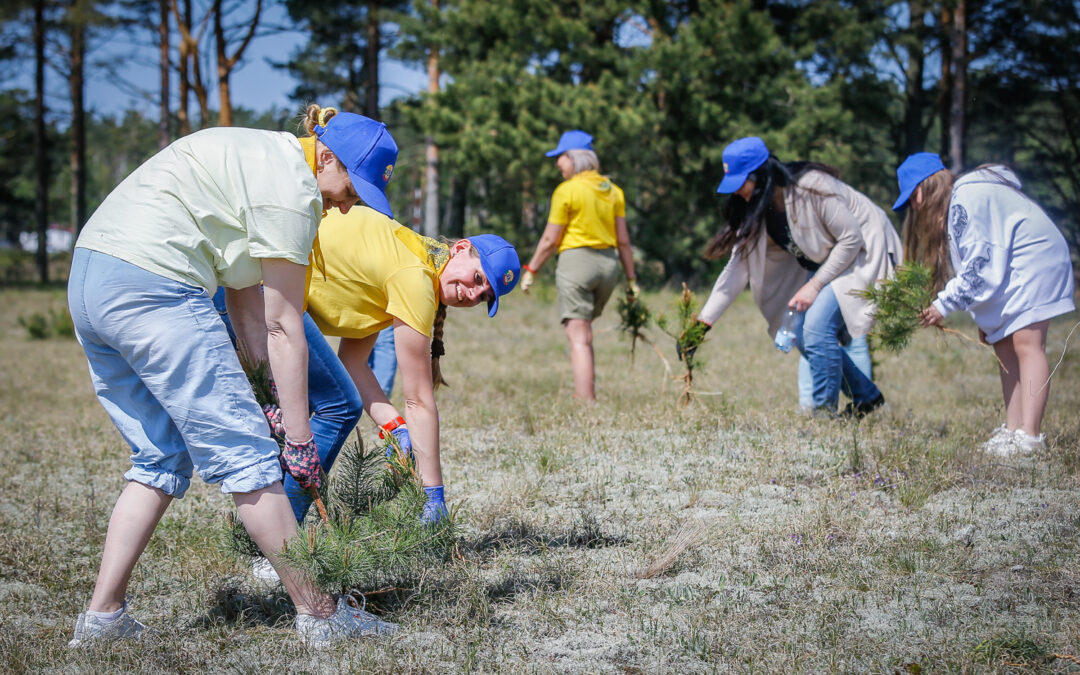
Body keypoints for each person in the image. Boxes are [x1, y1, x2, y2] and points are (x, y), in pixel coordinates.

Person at [66, 105, 400, 647]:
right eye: (351, 187)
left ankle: (103, 619)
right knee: (250, 458)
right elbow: (284, 325)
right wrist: (297, 437)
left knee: (159, 455)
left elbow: (246, 309)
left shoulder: (259, 158)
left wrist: (266, 395)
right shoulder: (292, 192)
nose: (346, 203)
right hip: (156, 285)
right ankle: (321, 617)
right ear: (328, 157)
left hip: (92, 277)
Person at [698, 136, 902, 416]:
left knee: (816, 329)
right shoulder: (760, 209)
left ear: (762, 175)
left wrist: (815, 286)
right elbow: (737, 269)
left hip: (865, 250)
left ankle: (822, 414)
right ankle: (866, 397)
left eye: (741, 183)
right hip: (834, 259)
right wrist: (703, 323)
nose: (737, 193)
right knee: (804, 337)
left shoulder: (812, 187)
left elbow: (850, 239)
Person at [894, 152, 1075, 455]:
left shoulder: (965, 198)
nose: (915, 207)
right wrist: (985, 321)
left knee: (1026, 344)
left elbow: (979, 264)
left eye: (912, 199)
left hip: (1034, 259)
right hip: (1014, 265)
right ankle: (1013, 430)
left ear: (921, 190)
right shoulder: (959, 204)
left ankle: (1029, 437)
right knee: (1004, 345)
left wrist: (942, 306)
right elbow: (982, 261)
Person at [519, 130, 638, 401]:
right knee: (584, 332)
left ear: (574, 158)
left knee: (579, 337)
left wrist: (532, 270)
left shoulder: (567, 190)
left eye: (560, 157)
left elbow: (550, 239)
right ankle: (584, 391)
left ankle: (585, 400)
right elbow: (624, 241)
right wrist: (632, 281)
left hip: (577, 264)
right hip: (609, 267)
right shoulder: (613, 191)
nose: (557, 163)